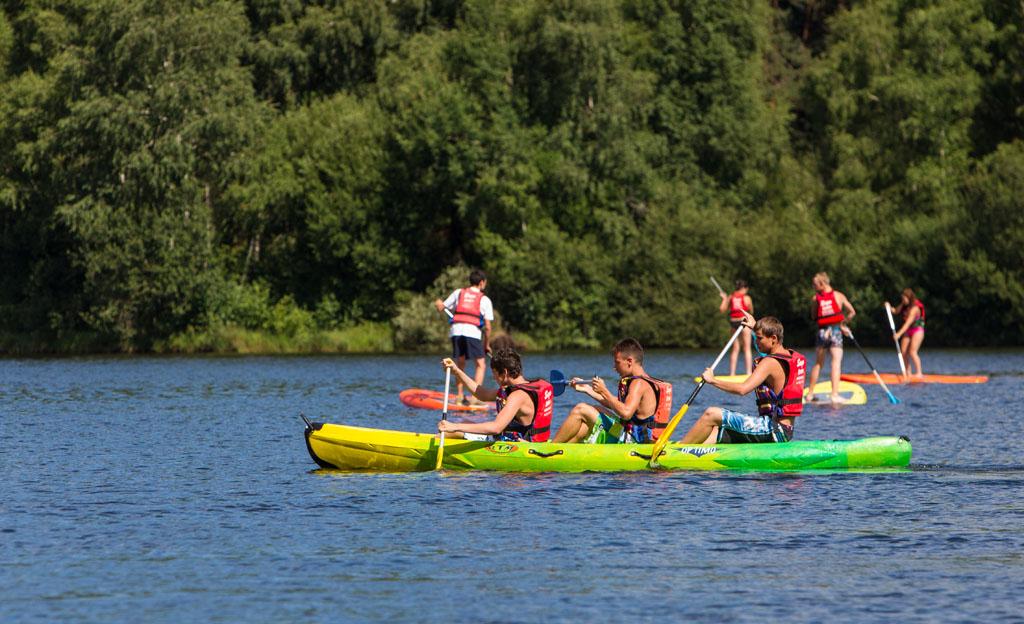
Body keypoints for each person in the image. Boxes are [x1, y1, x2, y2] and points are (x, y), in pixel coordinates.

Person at [679, 313, 806, 444]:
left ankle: (677, 452)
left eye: (759, 338)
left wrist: (713, 380)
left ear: (773, 338)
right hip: (784, 430)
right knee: (716, 430)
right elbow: (766, 350)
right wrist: (755, 327)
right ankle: (690, 453)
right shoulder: (787, 356)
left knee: (711, 414)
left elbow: (742, 389)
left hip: (773, 430)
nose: (756, 342)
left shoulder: (770, 362)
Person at [551, 338, 673, 444]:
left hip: (633, 440)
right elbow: (617, 405)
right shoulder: (642, 380)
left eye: (617, 362)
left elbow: (626, 413)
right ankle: (564, 450)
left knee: (581, 409)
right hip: (630, 433)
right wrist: (588, 390)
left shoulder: (639, 383)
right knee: (588, 419)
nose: (614, 367)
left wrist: (604, 390)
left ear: (629, 361)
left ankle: (549, 451)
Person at [437, 348, 553, 442]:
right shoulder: (514, 390)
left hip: (518, 446)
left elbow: (496, 428)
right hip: (508, 440)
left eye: (495, 373)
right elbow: (482, 394)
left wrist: (454, 426)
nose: (494, 377)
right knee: (464, 424)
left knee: (452, 431)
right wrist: (457, 371)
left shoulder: (517, 396)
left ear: (505, 373)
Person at [434, 269, 493, 405]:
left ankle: (460, 396)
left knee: (460, 364)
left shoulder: (459, 292)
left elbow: (441, 307)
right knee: (481, 364)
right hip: (472, 333)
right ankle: (476, 398)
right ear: (482, 283)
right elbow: (488, 327)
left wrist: (438, 303)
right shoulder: (485, 299)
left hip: (456, 332)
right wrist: (486, 344)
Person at [805, 272, 856, 403]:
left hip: (822, 332)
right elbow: (852, 312)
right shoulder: (839, 296)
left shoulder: (815, 299)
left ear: (822, 284)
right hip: (836, 331)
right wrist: (844, 324)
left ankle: (810, 394)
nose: (814, 287)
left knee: (818, 364)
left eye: (815, 285)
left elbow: (813, 316)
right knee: (836, 363)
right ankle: (834, 394)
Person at [719, 279, 754, 376]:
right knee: (747, 348)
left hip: (733, 322)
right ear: (744, 288)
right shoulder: (747, 298)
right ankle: (748, 373)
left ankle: (732, 373)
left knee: (735, 348)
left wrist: (724, 299)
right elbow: (751, 310)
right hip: (743, 322)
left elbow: (722, 310)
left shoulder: (730, 297)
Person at [888, 288, 925, 378]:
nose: (903, 301)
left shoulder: (915, 309)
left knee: (912, 352)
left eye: (904, 298)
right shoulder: (904, 304)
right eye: (902, 298)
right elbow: (895, 311)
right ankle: (908, 373)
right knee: (903, 352)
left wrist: (899, 334)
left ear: (909, 298)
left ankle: (919, 373)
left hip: (917, 330)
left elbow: (908, 323)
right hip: (908, 330)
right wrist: (888, 307)